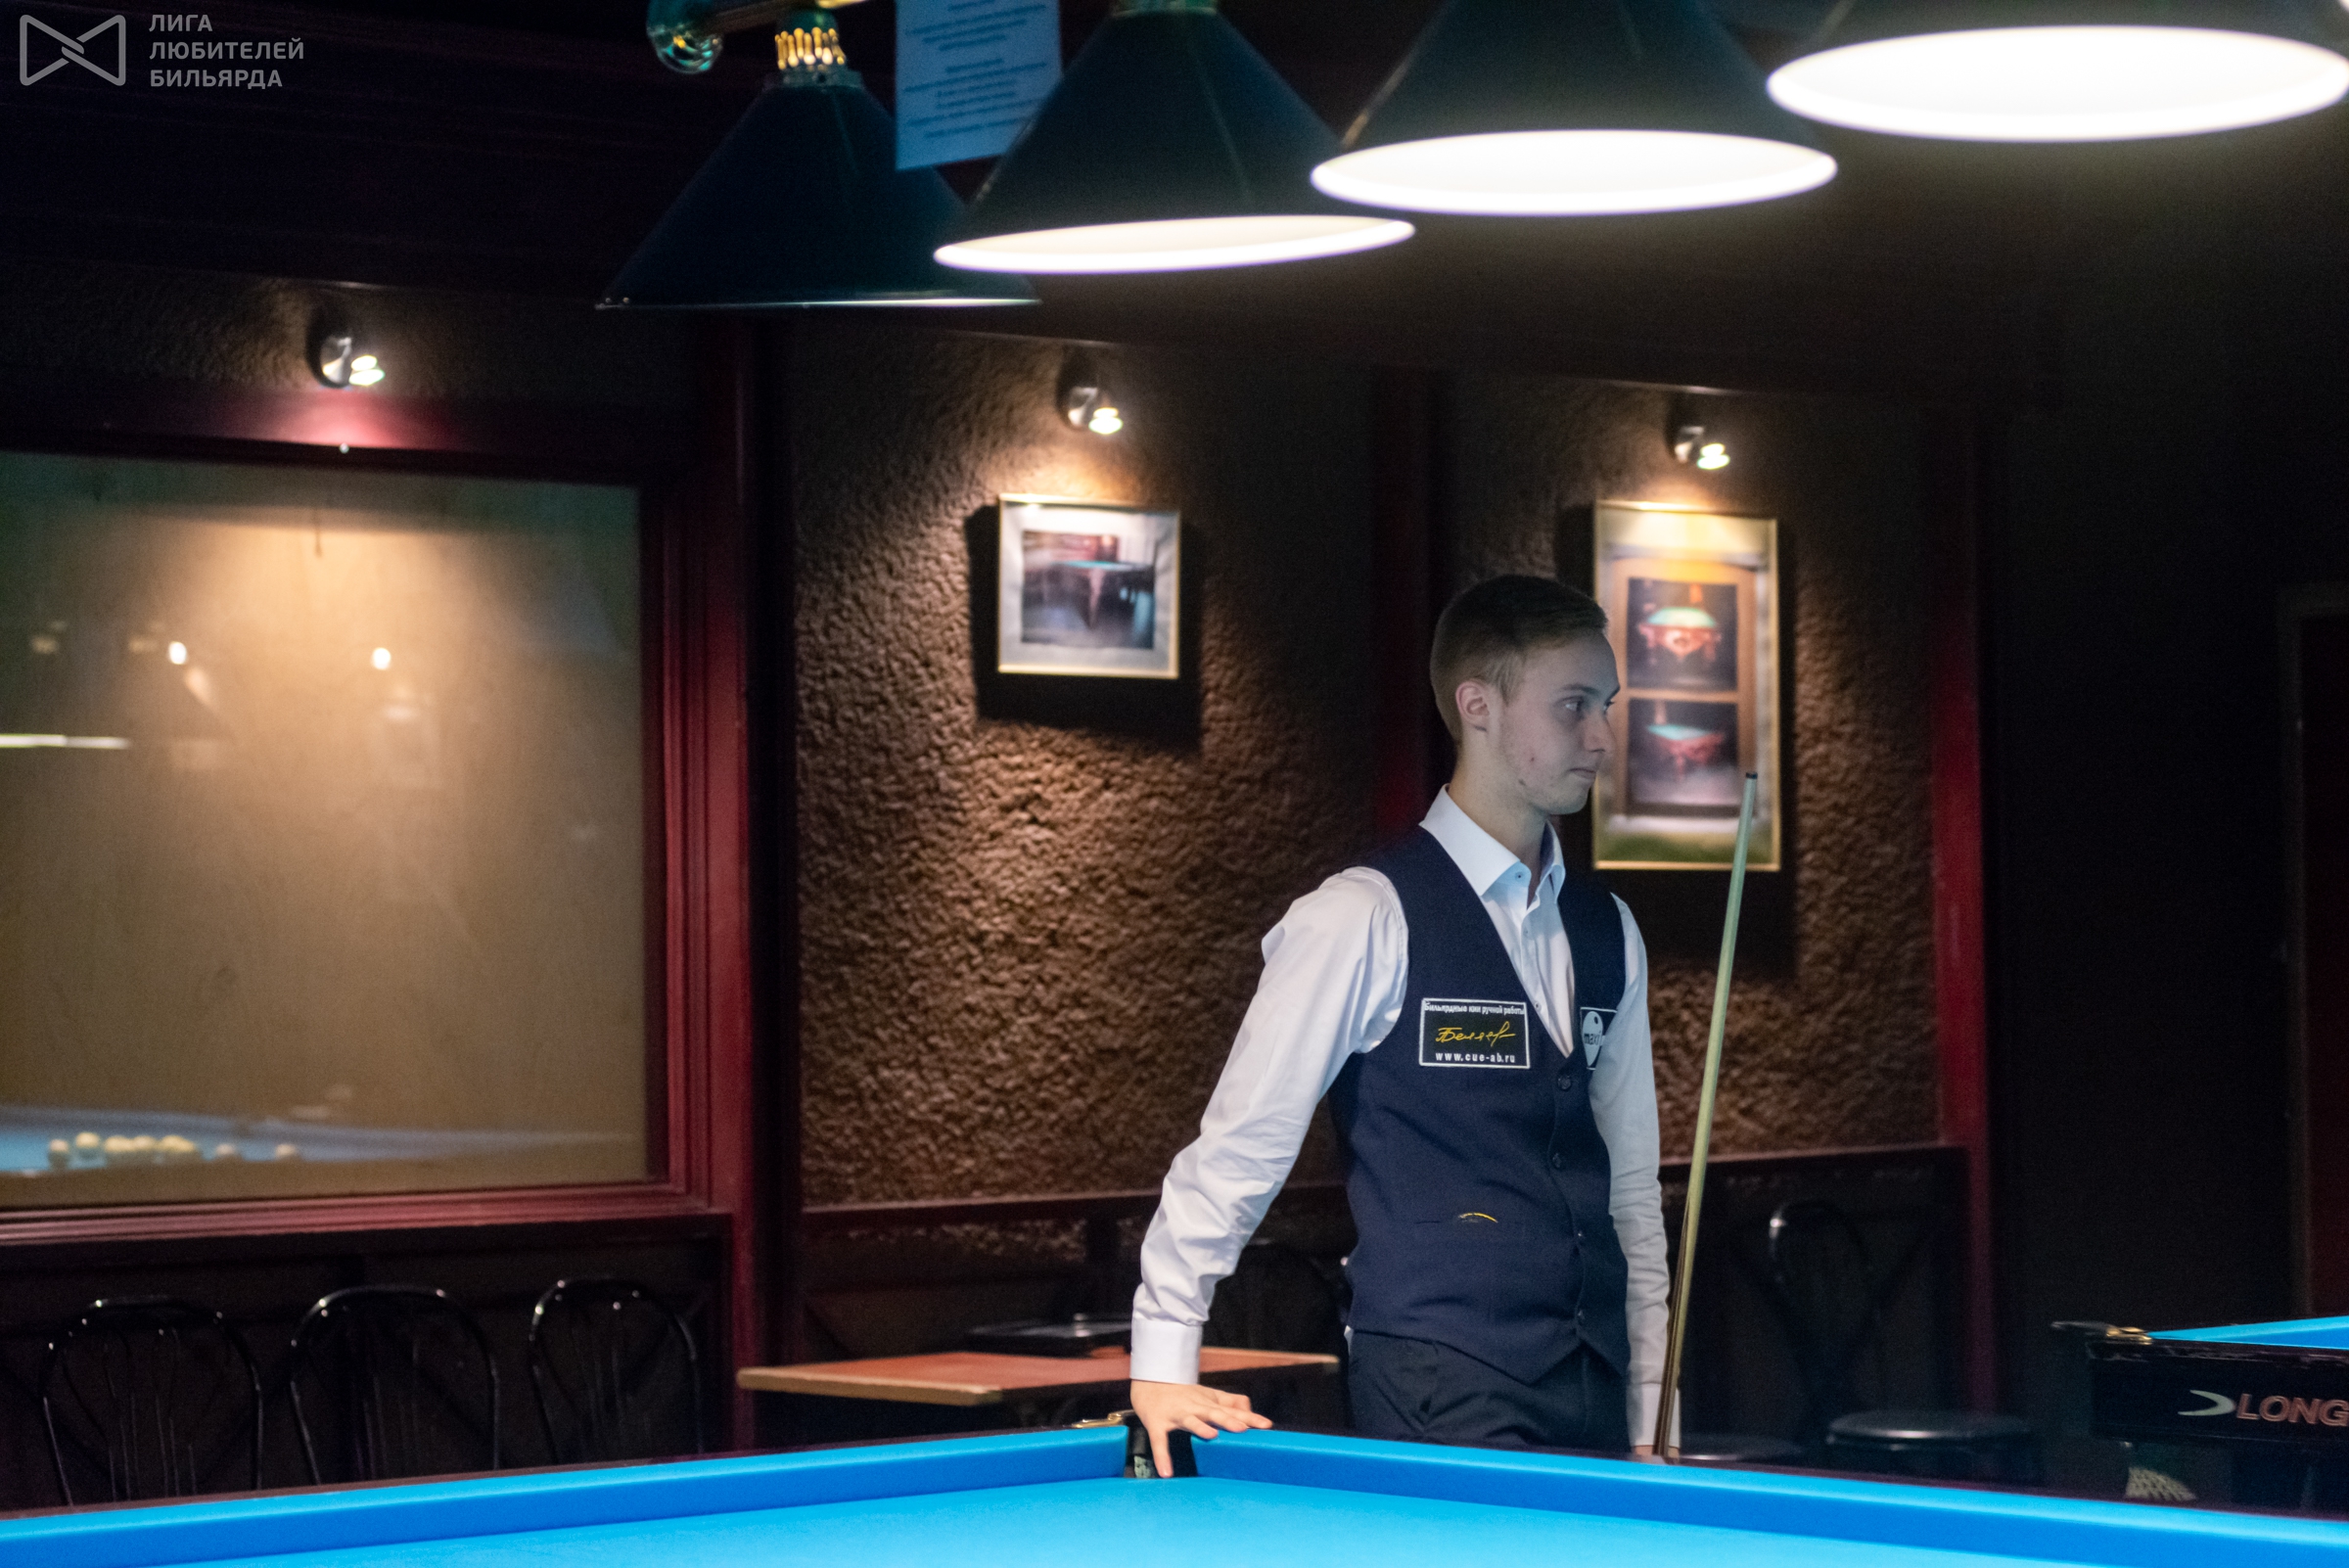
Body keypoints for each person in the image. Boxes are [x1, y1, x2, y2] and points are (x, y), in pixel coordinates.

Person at [1127, 575, 1668, 1479]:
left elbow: (1631, 1193)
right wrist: (1163, 1358)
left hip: (1595, 1386)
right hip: (1440, 1382)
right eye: (1573, 705)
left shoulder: (1609, 930)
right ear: (1478, 706)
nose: (1603, 737)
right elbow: (1242, 1146)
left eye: (1606, 706)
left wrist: (1652, 1404)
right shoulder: (1362, 916)